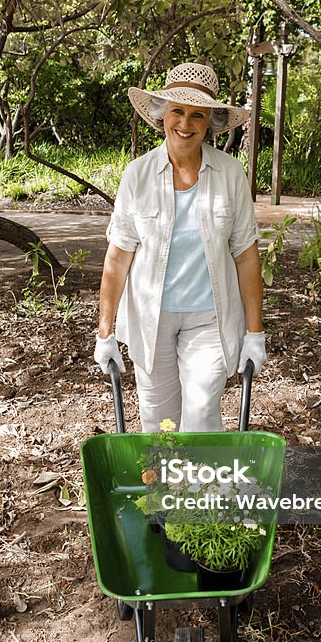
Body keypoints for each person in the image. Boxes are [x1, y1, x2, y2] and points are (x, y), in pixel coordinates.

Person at [94, 62, 266, 432]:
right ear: (162, 115)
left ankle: (201, 490)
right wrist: (104, 332)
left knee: (202, 416)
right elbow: (118, 257)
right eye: (177, 111)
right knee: (159, 421)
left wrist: (255, 332)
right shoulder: (137, 174)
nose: (185, 124)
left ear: (210, 123)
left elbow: (246, 256)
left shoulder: (230, 174)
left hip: (210, 317)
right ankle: (163, 490)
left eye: (197, 115)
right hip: (151, 317)